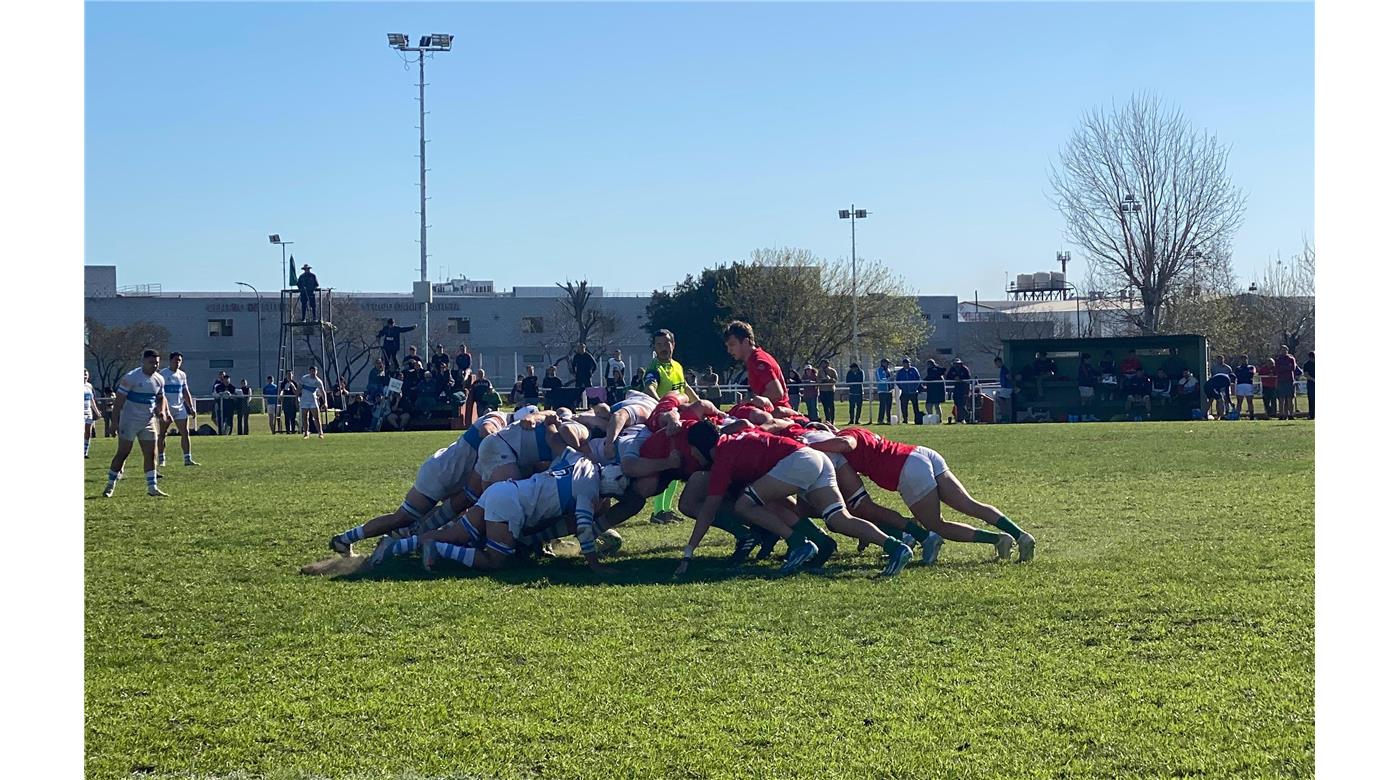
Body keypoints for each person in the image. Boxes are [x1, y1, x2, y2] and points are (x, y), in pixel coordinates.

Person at [674, 423, 915, 578]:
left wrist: (688, 552)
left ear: (702, 446)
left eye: (693, 449)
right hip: (817, 458)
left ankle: (799, 543)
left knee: (744, 504)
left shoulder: (723, 457)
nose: (693, 455)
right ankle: (896, 547)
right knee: (840, 519)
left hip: (800, 460)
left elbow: (708, 510)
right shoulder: (733, 440)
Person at [809, 426, 1034, 562]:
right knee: (970, 504)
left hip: (905, 468)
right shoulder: (857, 430)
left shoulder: (845, 436)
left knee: (936, 526)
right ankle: (1020, 534)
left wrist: (812, 449)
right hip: (920, 453)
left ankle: (997, 539)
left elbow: (846, 443)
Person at [330, 410, 510, 556]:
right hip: (440, 473)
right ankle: (344, 539)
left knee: (458, 511)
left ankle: (402, 538)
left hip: (451, 476)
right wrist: (501, 448)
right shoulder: (500, 418)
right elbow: (486, 429)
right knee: (402, 517)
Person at [102, 350, 172, 498]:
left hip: (148, 421)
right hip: (129, 421)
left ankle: (152, 487)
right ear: (143, 362)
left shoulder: (159, 379)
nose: (154, 366)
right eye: (151, 363)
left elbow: (161, 398)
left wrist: (163, 411)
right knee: (123, 453)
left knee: (151, 453)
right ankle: (110, 484)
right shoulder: (131, 378)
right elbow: (119, 402)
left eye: (157, 363)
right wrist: (114, 423)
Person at [723, 320, 788, 407]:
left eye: (732, 345)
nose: (729, 350)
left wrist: (750, 401)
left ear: (745, 342)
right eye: (727, 346)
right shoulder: (754, 360)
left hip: (776, 413)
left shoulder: (758, 361)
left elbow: (776, 393)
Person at [157, 352, 200, 466]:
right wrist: (162, 409)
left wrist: (191, 407)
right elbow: (159, 394)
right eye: (175, 360)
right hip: (167, 409)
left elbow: (185, 391)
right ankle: (161, 459)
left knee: (185, 432)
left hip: (180, 408)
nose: (177, 362)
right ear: (170, 360)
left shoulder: (182, 375)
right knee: (162, 434)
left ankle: (187, 458)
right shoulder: (163, 374)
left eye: (179, 360)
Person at [300, 365, 327, 439]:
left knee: (316, 417)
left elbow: (323, 391)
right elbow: (299, 388)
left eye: (314, 371)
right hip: (304, 401)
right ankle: (306, 433)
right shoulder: (304, 378)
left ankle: (320, 433)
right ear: (309, 371)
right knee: (305, 417)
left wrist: (325, 402)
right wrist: (297, 397)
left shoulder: (318, 381)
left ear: (316, 372)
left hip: (313, 401)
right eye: (311, 371)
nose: (313, 373)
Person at [946, 358, 973, 423]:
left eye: (958, 364)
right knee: (957, 403)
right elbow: (948, 377)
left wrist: (961, 379)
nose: (957, 365)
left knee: (962, 403)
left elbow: (968, 378)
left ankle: (967, 417)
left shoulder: (965, 369)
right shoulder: (952, 369)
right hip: (957, 388)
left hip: (964, 388)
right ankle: (959, 418)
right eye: (955, 364)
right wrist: (954, 378)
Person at [1275, 345, 1299, 419]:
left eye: (1285, 350)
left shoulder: (1291, 358)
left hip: (1289, 380)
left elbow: (1293, 368)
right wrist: (1286, 367)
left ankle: (1291, 414)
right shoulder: (1278, 359)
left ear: (1287, 350)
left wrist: (1284, 367)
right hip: (1281, 381)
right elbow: (1277, 369)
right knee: (1281, 399)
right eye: (1282, 350)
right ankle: (1281, 415)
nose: (1284, 351)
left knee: (1290, 398)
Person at [895, 357, 922, 424]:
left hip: (913, 392)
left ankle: (917, 419)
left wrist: (915, 388)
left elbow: (918, 379)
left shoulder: (914, 370)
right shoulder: (900, 372)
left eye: (908, 363)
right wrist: (902, 387)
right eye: (905, 363)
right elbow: (898, 381)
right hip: (905, 392)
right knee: (904, 407)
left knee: (915, 407)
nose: (906, 364)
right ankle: (905, 419)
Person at [1234, 354, 1258, 419]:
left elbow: (1252, 373)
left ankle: (1251, 416)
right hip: (1240, 385)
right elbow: (1238, 375)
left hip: (1248, 385)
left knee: (1250, 401)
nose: (1244, 360)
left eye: (1245, 359)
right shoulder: (1238, 368)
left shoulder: (1251, 367)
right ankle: (1237, 415)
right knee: (1239, 401)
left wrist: (1246, 374)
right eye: (1242, 359)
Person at [923, 358, 945, 423]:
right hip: (931, 390)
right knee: (928, 405)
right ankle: (931, 418)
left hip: (937, 390)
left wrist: (924, 380)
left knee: (937, 405)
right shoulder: (929, 370)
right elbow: (929, 377)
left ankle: (938, 419)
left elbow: (942, 371)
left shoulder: (937, 369)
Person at [84, 369, 99, 459]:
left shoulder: (89, 386)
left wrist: (96, 411)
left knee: (88, 432)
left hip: (88, 412)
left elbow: (92, 400)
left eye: (86, 374)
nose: (84, 376)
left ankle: (85, 452)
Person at [874, 358, 893, 424]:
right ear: (882, 363)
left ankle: (889, 420)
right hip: (882, 390)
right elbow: (880, 379)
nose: (888, 365)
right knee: (882, 406)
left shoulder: (888, 370)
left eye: (888, 363)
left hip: (889, 391)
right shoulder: (879, 370)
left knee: (889, 406)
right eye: (886, 363)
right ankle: (880, 420)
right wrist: (888, 380)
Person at [1303, 350, 1315, 419]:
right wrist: (1313, 379)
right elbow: (1306, 374)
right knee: (1311, 399)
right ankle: (1311, 415)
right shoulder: (1306, 364)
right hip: (1311, 384)